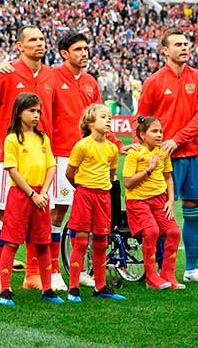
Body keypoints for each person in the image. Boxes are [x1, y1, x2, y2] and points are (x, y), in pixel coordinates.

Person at [49, 31, 121, 291]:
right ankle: (53, 271)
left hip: (91, 156)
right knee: (59, 211)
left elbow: (101, 115)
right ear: (64, 53)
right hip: (61, 153)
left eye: (86, 48)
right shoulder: (53, 77)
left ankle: (78, 270)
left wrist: (116, 143)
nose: (84, 53)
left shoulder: (90, 81)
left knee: (88, 221)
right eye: (78, 49)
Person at [0, 25, 54, 291]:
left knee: (39, 217)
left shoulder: (50, 75)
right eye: (33, 40)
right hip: (13, 155)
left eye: (42, 39)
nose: (39, 44)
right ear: (19, 45)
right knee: (5, 215)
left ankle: (33, 275)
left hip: (42, 151)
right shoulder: (8, 73)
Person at [137, 28, 198, 283]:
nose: (184, 47)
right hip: (161, 158)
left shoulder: (197, 78)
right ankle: (160, 268)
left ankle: (192, 268)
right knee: (161, 212)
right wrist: (149, 149)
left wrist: (178, 139)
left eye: (186, 44)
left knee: (193, 208)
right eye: (178, 44)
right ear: (165, 51)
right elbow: (140, 120)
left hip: (193, 153)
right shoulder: (154, 82)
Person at [0, 93, 62, 307]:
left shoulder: (43, 138)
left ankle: (47, 288)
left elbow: (52, 166)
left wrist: (42, 192)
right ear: (19, 112)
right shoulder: (12, 138)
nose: (36, 115)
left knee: (43, 243)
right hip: (21, 196)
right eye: (31, 111)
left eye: (38, 112)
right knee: (12, 242)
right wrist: (32, 195)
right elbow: (12, 170)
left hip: (41, 196)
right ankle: (5, 289)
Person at [65, 104, 125, 302]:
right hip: (84, 195)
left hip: (103, 197)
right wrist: (83, 190)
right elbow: (69, 173)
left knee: (101, 243)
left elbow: (111, 175)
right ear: (90, 122)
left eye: (109, 117)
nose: (108, 120)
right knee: (81, 242)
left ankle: (100, 286)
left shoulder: (112, 149)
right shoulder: (82, 145)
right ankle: (73, 287)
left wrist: (101, 190)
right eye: (103, 117)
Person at [123, 116, 183, 290]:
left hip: (159, 200)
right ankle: (151, 277)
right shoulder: (134, 153)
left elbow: (168, 178)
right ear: (142, 135)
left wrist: (170, 201)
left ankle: (167, 274)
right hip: (137, 201)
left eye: (161, 131)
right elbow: (127, 182)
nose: (159, 135)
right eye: (154, 131)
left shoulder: (163, 152)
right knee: (152, 231)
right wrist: (148, 170)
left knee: (173, 232)